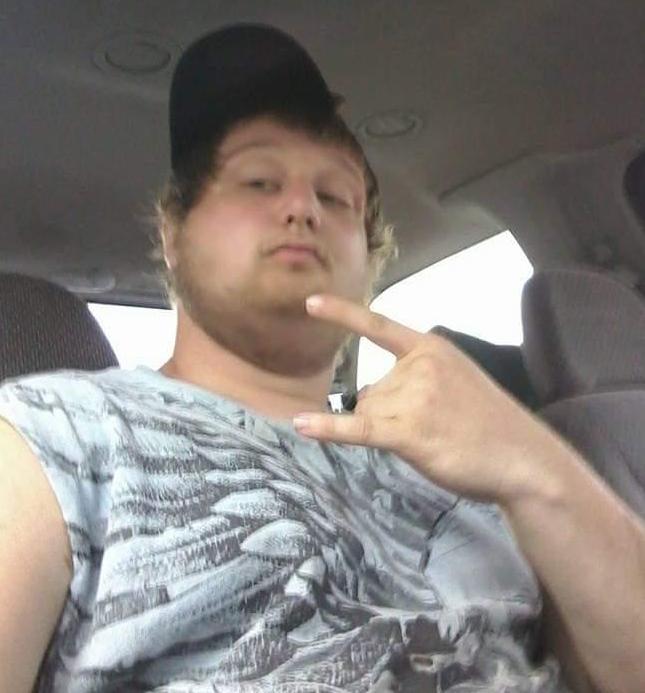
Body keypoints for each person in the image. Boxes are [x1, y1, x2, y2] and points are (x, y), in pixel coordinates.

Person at [0, 23, 643, 693]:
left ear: (369, 258)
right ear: (171, 233)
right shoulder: (56, 436)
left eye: (336, 197)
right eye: (257, 182)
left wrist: (530, 463)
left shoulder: (465, 468)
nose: (302, 207)